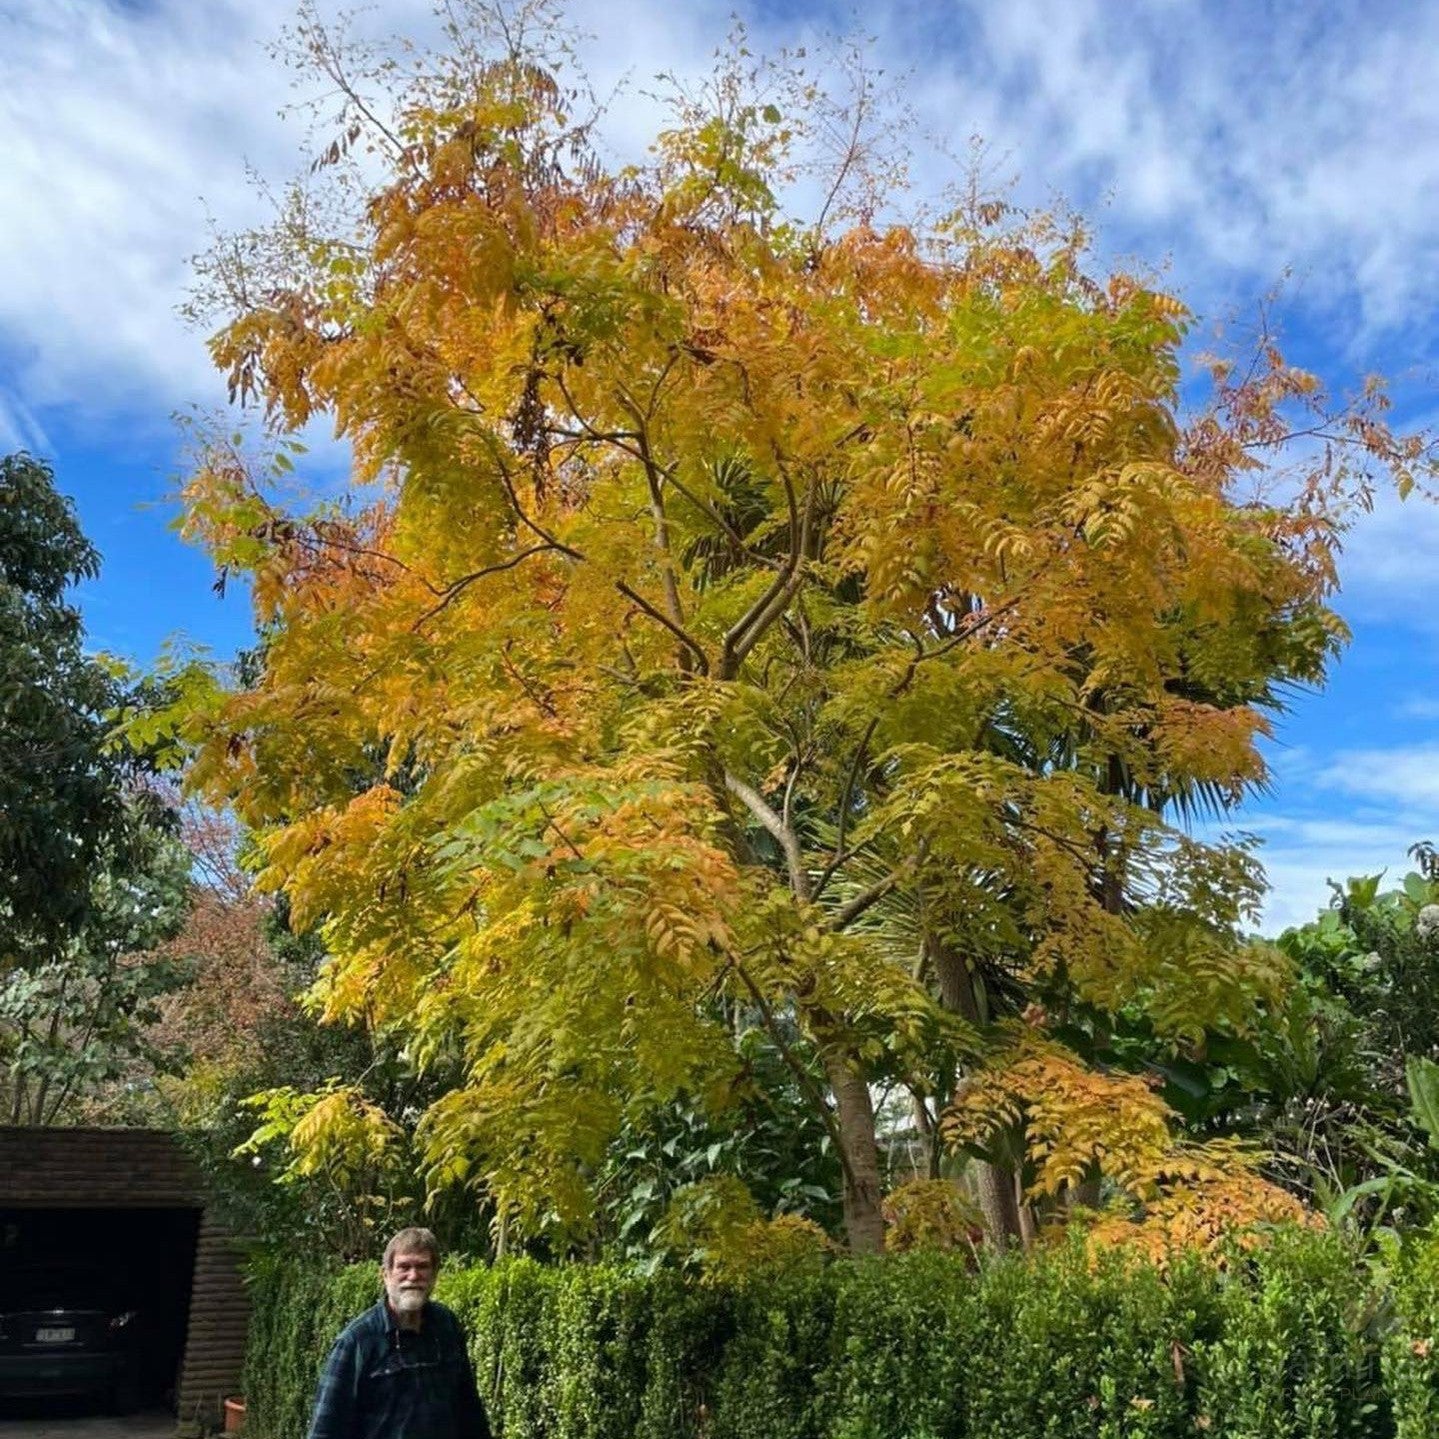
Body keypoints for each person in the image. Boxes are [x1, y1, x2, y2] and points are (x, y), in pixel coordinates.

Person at [306, 1226, 492, 1439]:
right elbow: (325, 1430)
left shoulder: (446, 1326)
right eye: (404, 1266)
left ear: (434, 1274)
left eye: (422, 1266)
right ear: (386, 1275)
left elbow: (470, 1412)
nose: (413, 1276)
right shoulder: (357, 1342)